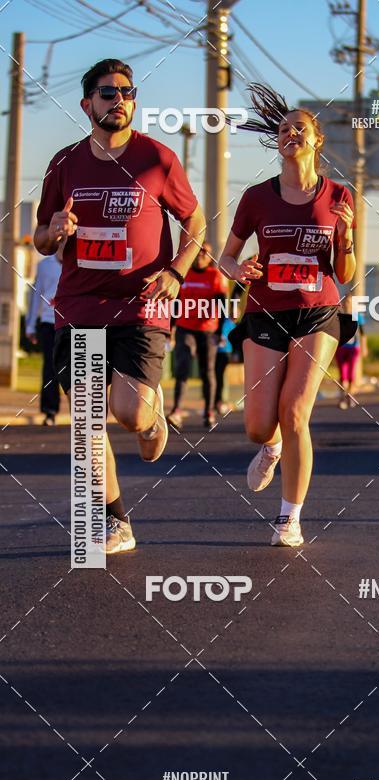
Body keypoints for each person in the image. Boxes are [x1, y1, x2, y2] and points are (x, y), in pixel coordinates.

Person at [34, 58, 205, 554]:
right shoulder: (65, 164)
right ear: (87, 103)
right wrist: (55, 232)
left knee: (128, 413)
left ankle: (152, 421)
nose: (119, 100)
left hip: (140, 305)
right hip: (80, 304)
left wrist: (176, 272)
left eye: (127, 92)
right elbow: (42, 237)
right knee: (87, 422)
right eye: (108, 93)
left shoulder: (156, 158)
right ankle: (115, 522)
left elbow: (196, 223)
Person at [219, 83, 356, 547]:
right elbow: (227, 257)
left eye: (300, 128)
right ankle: (271, 446)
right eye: (283, 128)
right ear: (277, 142)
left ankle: (289, 519)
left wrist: (348, 238)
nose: (290, 133)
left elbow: (345, 270)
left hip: (318, 311)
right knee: (260, 424)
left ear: (317, 140)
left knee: (295, 411)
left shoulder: (339, 195)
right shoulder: (257, 197)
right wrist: (241, 269)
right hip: (265, 310)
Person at [167, 243, 227, 430]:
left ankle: (209, 411)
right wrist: (171, 328)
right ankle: (176, 410)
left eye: (205, 252)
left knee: (207, 371)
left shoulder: (215, 276)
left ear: (210, 257)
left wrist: (219, 333)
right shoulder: (184, 273)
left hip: (207, 330)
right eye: (198, 251)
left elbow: (222, 306)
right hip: (186, 327)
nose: (201, 255)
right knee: (182, 367)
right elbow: (175, 302)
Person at [26, 244, 63, 425]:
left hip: (73, 322)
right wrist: (30, 325)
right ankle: (50, 411)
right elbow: (36, 294)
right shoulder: (44, 266)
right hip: (49, 322)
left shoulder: (80, 264)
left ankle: (84, 413)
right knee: (50, 367)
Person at [336, 310, 367, 408]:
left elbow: (362, 333)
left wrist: (364, 347)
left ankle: (349, 395)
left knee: (351, 373)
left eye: (350, 302)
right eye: (345, 302)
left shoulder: (357, 316)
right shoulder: (338, 314)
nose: (347, 304)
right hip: (341, 347)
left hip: (353, 348)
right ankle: (342, 397)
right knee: (342, 374)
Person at [215, 307, 237, 415]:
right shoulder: (227, 323)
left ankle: (219, 401)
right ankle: (219, 401)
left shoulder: (230, 323)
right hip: (222, 352)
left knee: (219, 377)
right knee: (219, 377)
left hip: (224, 353)